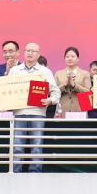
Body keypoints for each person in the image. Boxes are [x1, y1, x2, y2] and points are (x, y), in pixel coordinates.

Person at [8, 42, 59, 173]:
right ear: (23, 52)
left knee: (37, 145)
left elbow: (56, 92)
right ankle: (15, 172)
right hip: (19, 113)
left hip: (38, 113)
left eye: (33, 51)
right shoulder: (14, 71)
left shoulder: (45, 72)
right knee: (17, 145)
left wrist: (50, 100)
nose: (30, 53)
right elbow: (7, 90)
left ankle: (35, 172)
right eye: (28, 50)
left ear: (39, 54)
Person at [56, 47, 91, 115]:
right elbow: (54, 91)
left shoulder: (85, 73)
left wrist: (74, 85)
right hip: (62, 110)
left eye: (72, 56)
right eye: (67, 57)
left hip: (79, 110)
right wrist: (64, 85)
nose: (70, 59)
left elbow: (88, 92)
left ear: (78, 58)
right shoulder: (58, 74)